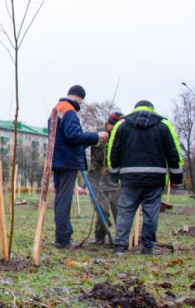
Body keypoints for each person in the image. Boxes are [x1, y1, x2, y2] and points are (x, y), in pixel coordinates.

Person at [107, 100, 183, 255]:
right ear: (152, 109)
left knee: (125, 211)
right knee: (151, 213)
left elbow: (113, 152)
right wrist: (176, 178)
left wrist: (114, 175)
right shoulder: (164, 125)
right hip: (155, 178)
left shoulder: (121, 125)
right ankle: (147, 247)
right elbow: (174, 153)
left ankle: (120, 246)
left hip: (129, 177)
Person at [49, 85, 109, 249]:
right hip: (67, 162)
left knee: (61, 199)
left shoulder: (57, 108)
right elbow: (72, 136)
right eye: (82, 100)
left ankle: (62, 236)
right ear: (78, 96)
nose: (81, 103)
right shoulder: (69, 111)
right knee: (64, 200)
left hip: (57, 161)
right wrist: (96, 136)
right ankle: (63, 239)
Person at [87, 111, 124, 246]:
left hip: (113, 177)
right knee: (102, 209)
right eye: (112, 126)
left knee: (118, 209)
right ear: (108, 123)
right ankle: (100, 236)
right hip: (95, 176)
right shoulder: (96, 133)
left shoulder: (121, 136)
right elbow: (81, 143)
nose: (114, 129)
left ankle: (121, 239)